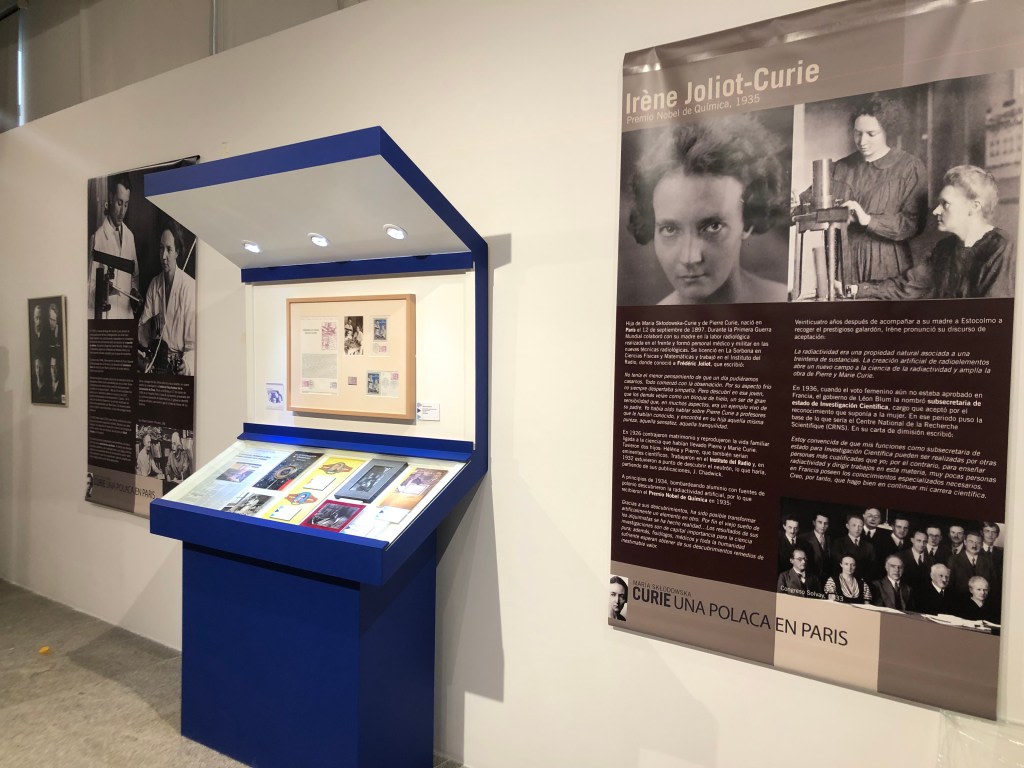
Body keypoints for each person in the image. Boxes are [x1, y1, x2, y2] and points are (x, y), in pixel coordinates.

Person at [626, 115, 790, 304]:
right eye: (670, 230)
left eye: (713, 227)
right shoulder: (652, 325)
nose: (690, 258)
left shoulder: (785, 303)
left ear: (748, 222)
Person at [855, 165, 1014, 300]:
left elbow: (995, 315)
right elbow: (906, 286)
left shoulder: (1001, 247)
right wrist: (853, 290)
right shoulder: (944, 248)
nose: (937, 211)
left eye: (946, 204)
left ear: (974, 206)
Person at [819, 94, 928, 283]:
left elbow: (913, 224)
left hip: (886, 262)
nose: (862, 141)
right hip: (844, 260)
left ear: (888, 131)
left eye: (871, 134)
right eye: (857, 133)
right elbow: (813, 198)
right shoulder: (840, 167)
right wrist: (801, 201)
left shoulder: (909, 167)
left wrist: (868, 220)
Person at [138, 222, 196, 375]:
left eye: (169, 249)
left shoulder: (189, 287)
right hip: (156, 366)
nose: (163, 256)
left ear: (177, 252)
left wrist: (187, 365)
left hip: (177, 371)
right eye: (161, 248)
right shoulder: (154, 285)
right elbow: (141, 335)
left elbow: (193, 347)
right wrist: (151, 325)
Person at [89, 174, 139, 319]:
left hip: (126, 317)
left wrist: (135, 292)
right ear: (111, 198)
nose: (122, 211)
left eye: (126, 204)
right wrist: (103, 292)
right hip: (107, 318)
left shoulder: (130, 237)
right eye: (119, 202)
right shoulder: (97, 238)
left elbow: (135, 276)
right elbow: (89, 288)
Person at [947, 531, 997, 597]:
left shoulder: (988, 561)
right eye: (971, 541)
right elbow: (949, 586)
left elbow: (994, 585)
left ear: (982, 545)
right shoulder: (953, 560)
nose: (974, 545)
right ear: (965, 542)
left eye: (978, 543)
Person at [830, 512, 876, 579]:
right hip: (843, 581)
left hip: (863, 582)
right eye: (854, 525)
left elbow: (872, 568)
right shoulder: (838, 543)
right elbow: (836, 566)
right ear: (847, 526)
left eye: (860, 526)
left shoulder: (869, 546)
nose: (857, 529)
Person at [798, 513, 832, 581]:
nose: (823, 526)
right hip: (810, 579)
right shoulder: (803, 538)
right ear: (814, 523)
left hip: (827, 580)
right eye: (820, 522)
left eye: (826, 523)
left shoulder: (830, 539)